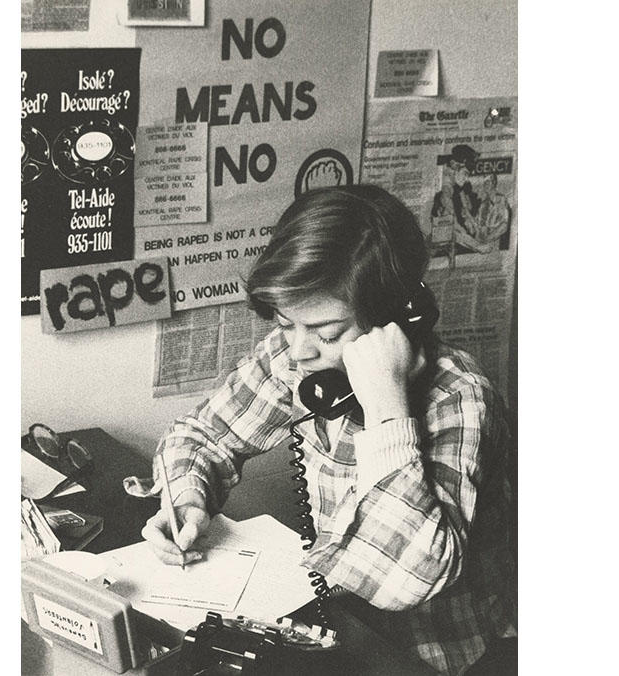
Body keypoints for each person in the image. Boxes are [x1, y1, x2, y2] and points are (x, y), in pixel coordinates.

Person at [142, 185, 516, 675]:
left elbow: (408, 578)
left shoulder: (459, 397)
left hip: (437, 657)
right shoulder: (298, 354)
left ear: (397, 318)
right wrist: (188, 500)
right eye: (286, 322)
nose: (297, 350)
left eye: (328, 332)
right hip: (336, 631)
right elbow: (199, 437)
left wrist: (387, 406)